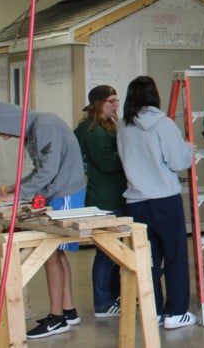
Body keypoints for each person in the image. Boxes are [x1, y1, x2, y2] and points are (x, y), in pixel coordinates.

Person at [0, 102, 86, 338]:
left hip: (65, 193)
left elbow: (48, 172)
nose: (2, 137)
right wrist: (15, 186)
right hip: (59, 192)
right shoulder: (37, 128)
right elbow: (42, 169)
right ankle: (68, 310)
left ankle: (57, 318)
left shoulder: (45, 125)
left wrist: (19, 194)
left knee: (50, 251)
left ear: (5, 121)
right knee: (56, 253)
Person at [116, 76, 197, 329]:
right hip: (164, 198)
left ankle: (156, 312)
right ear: (154, 96)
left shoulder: (122, 125)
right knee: (175, 256)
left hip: (136, 201)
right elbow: (177, 162)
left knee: (148, 259)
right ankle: (176, 313)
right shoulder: (164, 124)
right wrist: (188, 148)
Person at [74, 85, 126, 318]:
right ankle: (103, 303)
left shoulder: (105, 126)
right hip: (105, 197)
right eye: (110, 101)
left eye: (116, 101)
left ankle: (114, 296)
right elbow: (106, 163)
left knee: (114, 251)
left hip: (112, 194)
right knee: (106, 253)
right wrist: (128, 149)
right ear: (97, 103)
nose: (115, 105)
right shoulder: (93, 131)